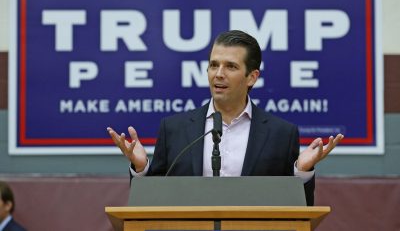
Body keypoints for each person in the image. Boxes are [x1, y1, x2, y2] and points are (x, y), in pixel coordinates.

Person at [107, 30, 343, 206]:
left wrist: (301, 171)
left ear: (252, 77)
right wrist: (141, 168)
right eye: (213, 65)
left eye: (230, 66)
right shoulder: (174, 128)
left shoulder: (281, 134)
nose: (218, 74)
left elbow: (297, 209)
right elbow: (153, 203)